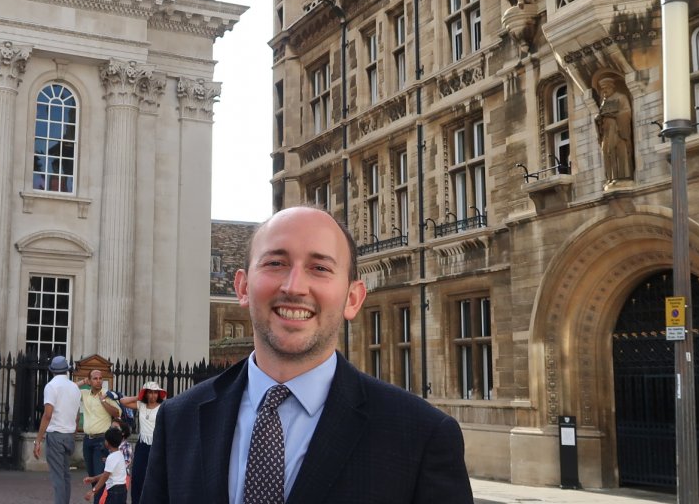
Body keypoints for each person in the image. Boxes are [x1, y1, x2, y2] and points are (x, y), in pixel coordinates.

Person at [141, 206, 473, 503]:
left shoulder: (420, 435)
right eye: (275, 263)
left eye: (320, 268)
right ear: (241, 287)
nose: (295, 286)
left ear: (353, 298)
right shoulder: (179, 419)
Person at [35, 355, 82, 504]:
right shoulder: (75, 387)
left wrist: (38, 440)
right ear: (67, 370)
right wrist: (73, 436)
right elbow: (76, 417)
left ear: (52, 371)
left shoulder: (51, 386)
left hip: (56, 434)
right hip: (69, 435)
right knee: (66, 475)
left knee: (57, 477)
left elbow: (47, 415)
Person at [117, 380, 167, 504]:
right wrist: (138, 396)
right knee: (138, 476)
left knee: (156, 477)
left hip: (157, 445)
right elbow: (122, 401)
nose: (153, 395)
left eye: (156, 393)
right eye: (150, 392)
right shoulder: (141, 405)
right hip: (142, 445)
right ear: (145, 394)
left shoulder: (163, 407)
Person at [77, 369, 121, 478]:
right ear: (90, 381)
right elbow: (68, 389)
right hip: (87, 440)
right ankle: (96, 493)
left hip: (101, 441)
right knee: (91, 475)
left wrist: (103, 402)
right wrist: (83, 382)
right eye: (95, 379)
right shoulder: (85, 394)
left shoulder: (107, 394)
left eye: (100, 378)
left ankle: (98, 495)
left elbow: (117, 413)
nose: (98, 381)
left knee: (99, 474)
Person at [593, 73, 634, 186]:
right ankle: (611, 178)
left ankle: (622, 177)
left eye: (606, 88)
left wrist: (615, 115)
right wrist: (598, 118)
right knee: (607, 152)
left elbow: (627, 112)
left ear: (612, 87)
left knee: (619, 151)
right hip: (606, 132)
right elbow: (600, 116)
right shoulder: (604, 101)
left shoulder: (621, 97)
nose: (604, 91)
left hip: (617, 130)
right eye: (603, 89)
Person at [84, 427, 129, 504]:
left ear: (107, 443)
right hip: (122, 489)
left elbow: (105, 476)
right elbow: (108, 473)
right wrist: (94, 478)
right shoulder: (120, 455)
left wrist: (93, 491)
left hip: (114, 491)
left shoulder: (111, 457)